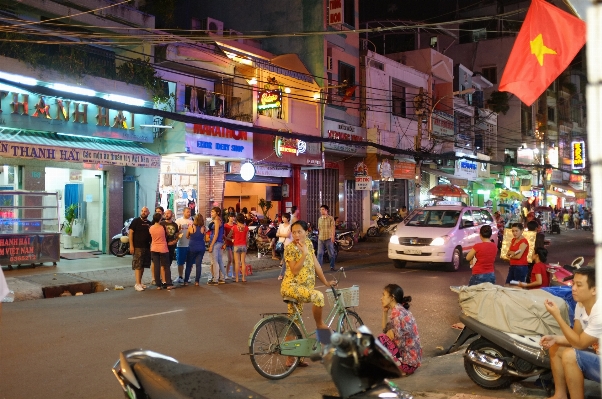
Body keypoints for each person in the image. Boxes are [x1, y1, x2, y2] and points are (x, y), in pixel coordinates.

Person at [540, 267, 600, 398]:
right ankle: (560, 395)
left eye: (579, 285)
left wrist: (557, 316)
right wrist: (555, 339)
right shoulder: (581, 305)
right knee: (556, 348)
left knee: (570, 355)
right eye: (573, 284)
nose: (573, 288)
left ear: (594, 289)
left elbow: (579, 344)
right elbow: (576, 336)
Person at [281, 220, 336, 332]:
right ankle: (320, 325)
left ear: (306, 232)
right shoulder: (290, 248)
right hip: (292, 287)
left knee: (294, 326)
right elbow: (295, 271)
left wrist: (326, 282)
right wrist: (304, 254)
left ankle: (283, 348)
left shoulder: (309, 244)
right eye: (294, 232)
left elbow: (316, 264)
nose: (296, 235)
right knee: (318, 297)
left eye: (299, 232)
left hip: (304, 288)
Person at [379, 284, 422, 375]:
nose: (381, 298)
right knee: (384, 338)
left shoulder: (397, 314)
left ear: (392, 298)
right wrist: (385, 312)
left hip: (408, 365)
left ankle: (399, 370)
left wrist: (389, 336)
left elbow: (398, 343)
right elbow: (385, 330)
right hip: (413, 364)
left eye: (384, 295)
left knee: (381, 339)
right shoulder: (400, 310)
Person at [129, 207, 152, 292]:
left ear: (148, 213)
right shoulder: (136, 221)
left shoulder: (150, 223)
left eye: (145, 211)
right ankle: (137, 283)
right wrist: (131, 245)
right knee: (138, 265)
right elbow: (130, 233)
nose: (143, 212)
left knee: (142, 265)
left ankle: (140, 282)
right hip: (137, 247)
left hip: (146, 247)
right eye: (142, 211)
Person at [149, 212, 173, 290]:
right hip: (163, 248)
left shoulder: (151, 228)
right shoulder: (163, 227)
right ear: (160, 219)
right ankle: (168, 284)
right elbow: (168, 234)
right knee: (166, 266)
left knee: (156, 266)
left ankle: (158, 285)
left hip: (154, 248)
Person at [184, 214, 206, 286]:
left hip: (192, 247)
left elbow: (187, 236)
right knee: (198, 265)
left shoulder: (191, 227)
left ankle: (186, 281)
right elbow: (204, 238)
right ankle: (197, 281)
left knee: (189, 265)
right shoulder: (203, 228)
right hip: (201, 247)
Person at [207, 207, 226, 285]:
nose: (211, 213)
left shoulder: (217, 220)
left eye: (213, 212)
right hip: (218, 242)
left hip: (216, 242)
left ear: (217, 212)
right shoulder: (218, 220)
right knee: (219, 260)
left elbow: (216, 234)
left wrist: (211, 245)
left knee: (215, 261)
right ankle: (222, 278)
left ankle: (215, 279)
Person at [175, 208, 193, 284]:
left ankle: (187, 276)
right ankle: (180, 276)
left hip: (190, 245)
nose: (189, 213)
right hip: (181, 244)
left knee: (190, 262)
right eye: (187, 212)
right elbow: (175, 232)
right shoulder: (178, 221)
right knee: (180, 262)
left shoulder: (192, 221)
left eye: (190, 212)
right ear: (183, 212)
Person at [317, 204, 336, 271]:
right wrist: (318, 235)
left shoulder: (331, 218)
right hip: (321, 238)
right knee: (319, 253)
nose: (321, 211)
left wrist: (332, 236)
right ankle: (319, 268)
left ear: (326, 210)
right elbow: (319, 229)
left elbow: (333, 227)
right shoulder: (319, 219)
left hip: (328, 238)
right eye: (320, 210)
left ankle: (332, 266)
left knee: (331, 253)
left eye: (323, 209)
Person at [161, 209, 179, 278]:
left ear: (172, 214)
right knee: (163, 264)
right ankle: (163, 279)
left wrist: (176, 241)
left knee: (169, 263)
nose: (166, 215)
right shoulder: (162, 223)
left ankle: (167, 278)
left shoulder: (175, 225)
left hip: (172, 246)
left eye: (168, 213)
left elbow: (177, 234)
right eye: (165, 213)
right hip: (163, 246)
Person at [231, 213, 249, 283]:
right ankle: (244, 278)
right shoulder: (246, 227)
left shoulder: (234, 227)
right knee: (243, 262)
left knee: (237, 262)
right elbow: (247, 238)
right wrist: (246, 245)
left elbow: (229, 235)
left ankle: (237, 278)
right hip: (243, 245)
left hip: (236, 245)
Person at [277, 213, 292, 280]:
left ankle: (281, 274)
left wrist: (280, 234)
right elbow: (276, 234)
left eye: (284, 217)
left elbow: (288, 235)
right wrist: (283, 234)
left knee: (285, 260)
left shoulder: (290, 226)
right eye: (282, 217)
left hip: (288, 244)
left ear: (288, 218)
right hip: (281, 244)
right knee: (286, 260)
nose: (283, 219)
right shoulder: (281, 225)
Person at [223, 212, 236, 279]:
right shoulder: (225, 226)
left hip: (235, 244)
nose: (233, 218)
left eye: (234, 217)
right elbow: (224, 236)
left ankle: (233, 273)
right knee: (230, 259)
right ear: (228, 218)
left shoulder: (235, 225)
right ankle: (226, 274)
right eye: (231, 217)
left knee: (234, 260)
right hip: (228, 244)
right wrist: (230, 240)